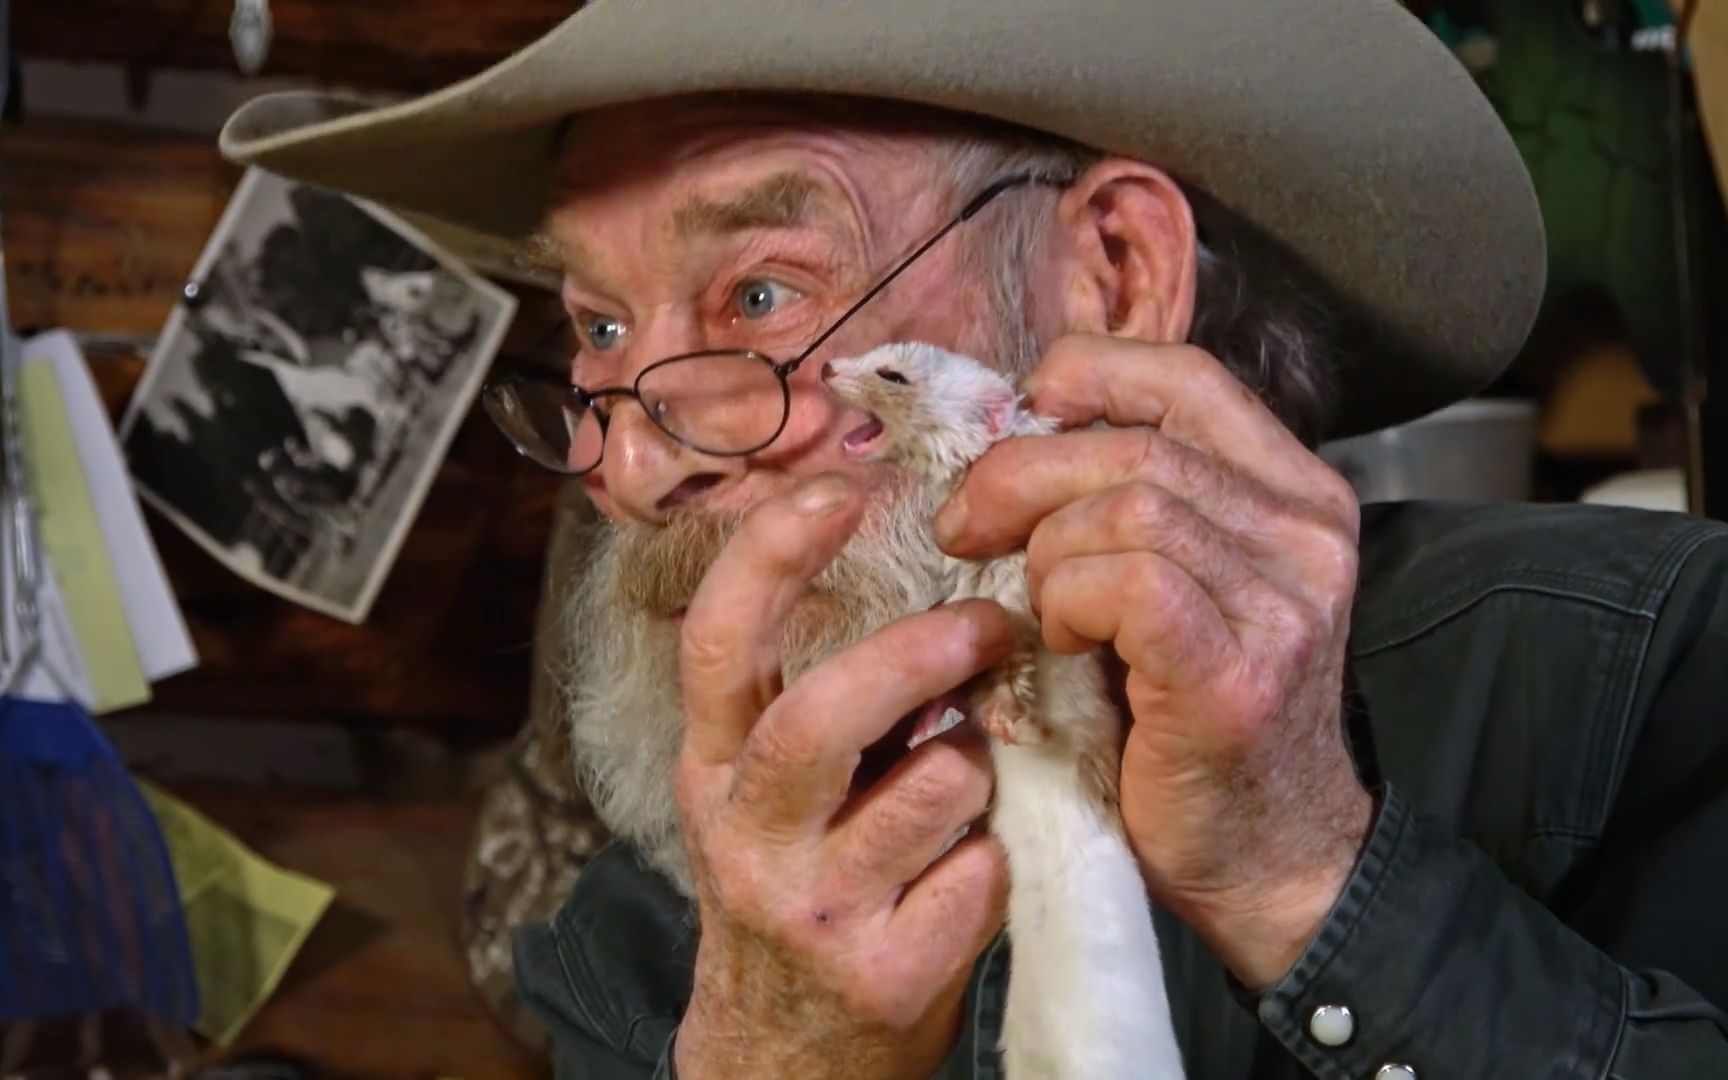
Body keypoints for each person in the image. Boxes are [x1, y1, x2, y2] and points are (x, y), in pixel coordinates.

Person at [218, 1, 1728, 1077]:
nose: (627, 460)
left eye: (759, 296)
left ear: (1117, 282)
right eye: (599, 329)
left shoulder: (1634, 675)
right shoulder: (655, 943)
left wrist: (1307, 879)